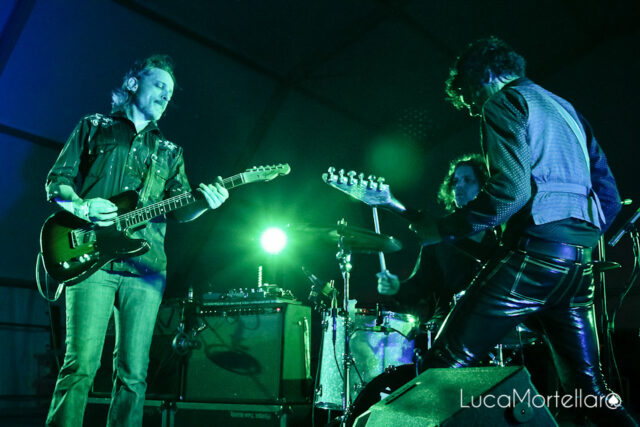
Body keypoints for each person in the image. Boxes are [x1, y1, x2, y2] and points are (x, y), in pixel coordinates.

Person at [411, 37, 636, 424]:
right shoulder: (565, 108)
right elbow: (610, 197)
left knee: (441, 368)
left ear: (486, 76)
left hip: (535, 257)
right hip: (578, 265)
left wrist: (445, 229)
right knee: (590, 393)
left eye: (468, 95)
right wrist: (578, 236)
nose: (470, 108)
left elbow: (511, 192)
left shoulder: (504, 102)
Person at [44, 55, 229, 426]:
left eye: (169, 92)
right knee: (81, 365)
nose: (165, 95)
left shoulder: (171, 152)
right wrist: (81, 206)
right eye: (159, 85)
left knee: (133, 374)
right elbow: (56, 182)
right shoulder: (93, 126)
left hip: (146, 267)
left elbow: (180, 210)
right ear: (132, 83)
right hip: (91, 259)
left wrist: (204, 204)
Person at [377, 154, 501, 333]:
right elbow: (420, 286)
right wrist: (397, 288)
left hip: (497, 328)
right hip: (449, 328)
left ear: (484, 187)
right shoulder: (437, 239)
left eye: (468, 180)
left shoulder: (501, 233)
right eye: (455, 182)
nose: (459, 187)